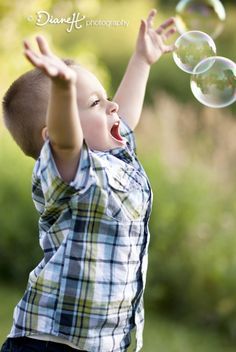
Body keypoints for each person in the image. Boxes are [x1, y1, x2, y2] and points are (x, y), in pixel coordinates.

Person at [1, 9, 176, 352]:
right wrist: (63, 91)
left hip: (102, 342)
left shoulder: (112, 156)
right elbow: (66, 140)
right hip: (50, 341)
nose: (111, 107)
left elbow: (123, 113)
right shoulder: (68, 170)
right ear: (55, 131)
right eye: (96, 103)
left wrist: (141, 60)